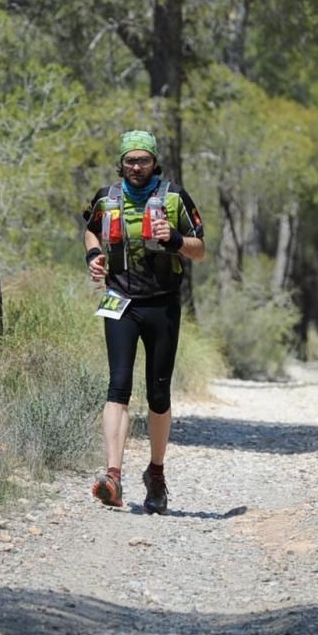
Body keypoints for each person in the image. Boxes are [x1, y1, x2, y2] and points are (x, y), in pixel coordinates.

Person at [81, 130, 205, 514]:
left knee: (158, 394)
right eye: (130, 160)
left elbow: (200, 250)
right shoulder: (107, 197)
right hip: (121, 301)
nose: (136, 167)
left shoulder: (174, 197)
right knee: (117, 385)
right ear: (121, 163)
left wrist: (175, 241)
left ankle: (156, 473)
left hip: (162, 304)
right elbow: (90, 228)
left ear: (155, 162)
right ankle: (113, 476)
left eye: (143, 160)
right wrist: (94, 255)